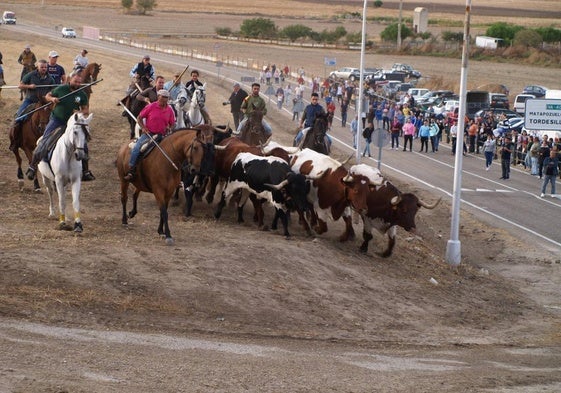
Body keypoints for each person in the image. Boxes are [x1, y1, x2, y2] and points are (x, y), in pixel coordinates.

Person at [26, 70, 91, 181]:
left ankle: (85, 171)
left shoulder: (81, 94)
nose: (77, 84)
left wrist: (79, 112)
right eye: (76, 81)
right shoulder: (61, 89)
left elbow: (86, 110)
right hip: (57, 120)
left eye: (79, 82)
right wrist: (52, 99)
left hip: (72, 123)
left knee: (82, 144)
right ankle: (33, 166)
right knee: (45, 140)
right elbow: (47, 96)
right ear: (70, 79)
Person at [124, 89, 176, 182]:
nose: (164, 99)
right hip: (149, 134)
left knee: (174, 150)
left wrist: (170, 128)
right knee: (137, 147)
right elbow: (139, 117)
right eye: (162, 97)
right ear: (158, 97)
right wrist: (143, 128)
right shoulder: (151, 106)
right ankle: (131, 170)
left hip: (163, 135)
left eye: (166, 98)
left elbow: (173, 123)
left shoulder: (169, 110)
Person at [9, 59, 55, 152]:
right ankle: (15, 141)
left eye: (45, 67)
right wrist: (29, 86)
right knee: (18, 118)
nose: (44, 69)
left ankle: (51, 144)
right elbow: (20, 85)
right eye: (42, 67)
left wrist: (50, 93)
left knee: (53, 119)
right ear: (38, 67)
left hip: (43, 102)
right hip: (30, 100)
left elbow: (54, 90)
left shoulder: (50, 78)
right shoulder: (30, 75)